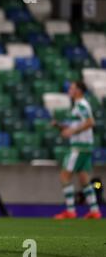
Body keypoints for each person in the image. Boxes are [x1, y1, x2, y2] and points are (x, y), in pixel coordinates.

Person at [53, 81, 102, 219]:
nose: (69, 90)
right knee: (84, 179)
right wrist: (60, 126)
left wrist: (72, 131)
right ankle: (94, 211)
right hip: (86, 147)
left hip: (79, 147)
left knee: (64, 177)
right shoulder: (79, 105)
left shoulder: (81, 105)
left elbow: (90, 122)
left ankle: (70, 210)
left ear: (79, 91)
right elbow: (77, 125)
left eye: (72, 88)